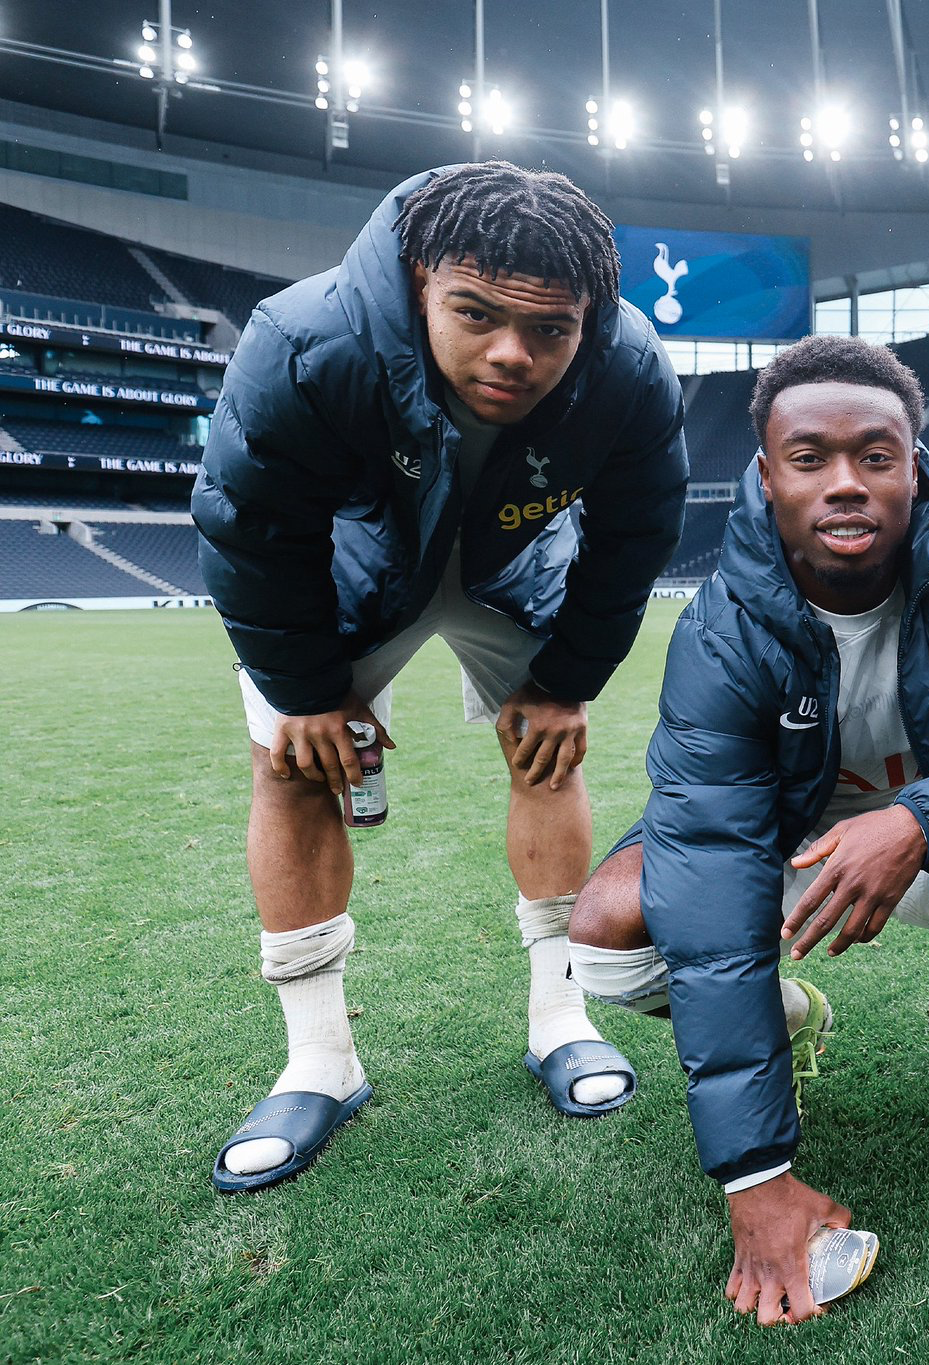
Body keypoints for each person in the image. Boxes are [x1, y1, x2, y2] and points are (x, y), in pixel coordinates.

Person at [565, 336, 929, 1324]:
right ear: (767, 473)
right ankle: (788, 1020)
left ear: (913, 463)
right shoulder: (720, 625)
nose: (845, 485)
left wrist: (916, 819)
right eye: (809, 458)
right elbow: (703, 866)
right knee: (608, 939)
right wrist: (753, 1178)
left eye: (875, 456)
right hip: (788, 845)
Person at [192, 163, 689, 1192]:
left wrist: (567, 680)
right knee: (288, 765)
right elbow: (249, 527)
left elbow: (635, 536)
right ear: (418, 279)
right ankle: (318, 1059)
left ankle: (561, 1018)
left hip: (514, 563)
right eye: (475, 314)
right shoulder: (303, 341)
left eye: (549, 331)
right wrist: (308, 691)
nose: (511, 354)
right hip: (361, 562)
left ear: (589, 317)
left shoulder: (631, 370)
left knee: (546, 753)